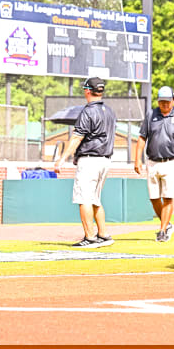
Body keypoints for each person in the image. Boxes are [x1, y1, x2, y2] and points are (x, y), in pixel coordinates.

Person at [54, 77, 116, 248]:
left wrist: (62, 159)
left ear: (87, 90)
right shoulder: (109, 111)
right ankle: (104, 235)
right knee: (95, 199)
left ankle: (90, 237)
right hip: (105, 160)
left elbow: (77, 137)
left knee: (84, 199)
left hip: (90, 160)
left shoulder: (88, 111)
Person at [134, 86, 174, 243]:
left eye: (167, 101)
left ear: (173, 100)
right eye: (161, 101)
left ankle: (162, 230)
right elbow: (142, 138)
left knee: (168, 197)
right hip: (152, 162)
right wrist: (137, 159)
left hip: (172, 162)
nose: (165, 104)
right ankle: (167, 224)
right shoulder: (151, 115)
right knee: (154, 198)